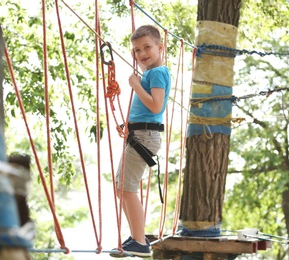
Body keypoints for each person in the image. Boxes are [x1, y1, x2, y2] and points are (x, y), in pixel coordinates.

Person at [110, 24, 171, 258]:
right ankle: (136, 237)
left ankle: (139, 241)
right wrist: (130, 124)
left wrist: (135, 85)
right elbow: (148, 110)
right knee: (121, 187)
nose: (142, 53)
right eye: (136, 50)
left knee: (126, 187)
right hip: (140, 133)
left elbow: (156, 106)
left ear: (160, 47)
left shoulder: (157, 73)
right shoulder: (151, 73)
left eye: (147, 47)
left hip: (145, 136)